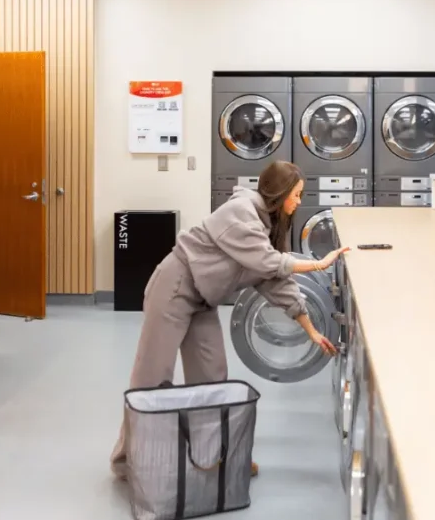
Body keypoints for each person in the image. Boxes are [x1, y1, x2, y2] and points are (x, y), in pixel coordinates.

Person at [110, 160, 348, 480]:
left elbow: (277, 281)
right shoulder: (241, 212)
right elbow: (267, 262)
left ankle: (210, 457)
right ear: (279, 193)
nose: (299, 201)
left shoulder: (268, 226)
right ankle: (131, 460)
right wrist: (318, 266)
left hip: (204, 300)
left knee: (212, 376)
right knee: (152, 376)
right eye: (297, 194)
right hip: (175, 288)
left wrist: (312, 330)